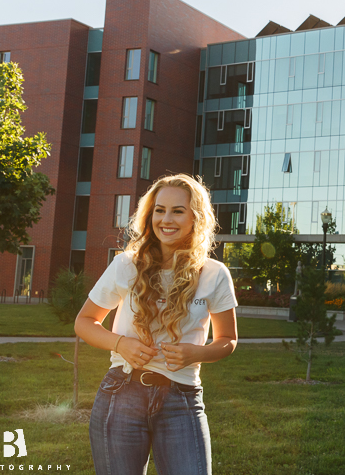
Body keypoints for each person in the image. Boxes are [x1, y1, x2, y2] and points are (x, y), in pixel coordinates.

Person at [75, 174, 238, 475]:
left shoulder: (215, 274)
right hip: (121, 392)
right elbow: (84, 322)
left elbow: (227, 339)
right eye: (160, 210)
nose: (167, 219)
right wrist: (120, 343)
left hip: (182, 399)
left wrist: (196, 353)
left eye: (178, 210)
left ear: (195, 217)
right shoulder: (126, 264)